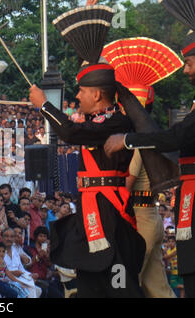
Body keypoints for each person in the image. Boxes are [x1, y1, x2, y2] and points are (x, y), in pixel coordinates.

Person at [30, 5, 145, 297]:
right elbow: (77, 128)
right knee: (92, 280)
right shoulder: (99, 120)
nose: (77, 96)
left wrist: (44, 105)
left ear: (96, 95)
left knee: (117, 280)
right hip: (92, 206)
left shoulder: (115, 120)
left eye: (82, 91)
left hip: (110, 209)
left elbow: (69, 131)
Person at [103, 1, 195, 297]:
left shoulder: (141, 143)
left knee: (126, 281)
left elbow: (175, 138)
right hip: (155, 214)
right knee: (159, 286)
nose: (185, 71)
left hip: (143, 215)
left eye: (190, 63)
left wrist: (128, 141)